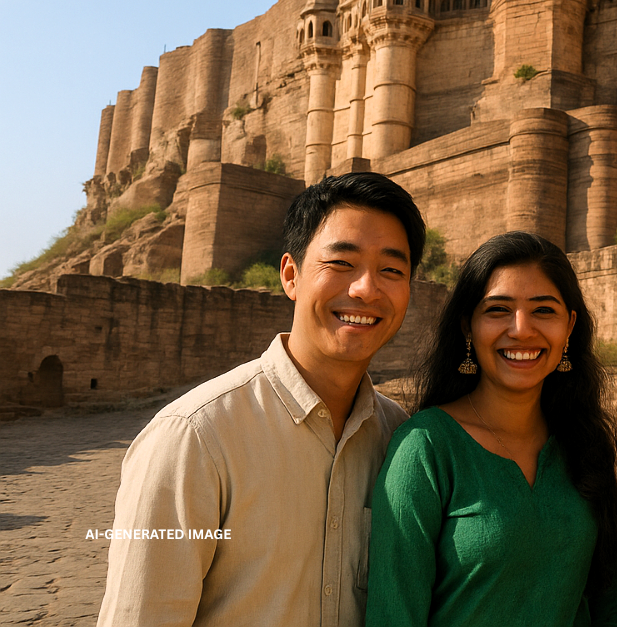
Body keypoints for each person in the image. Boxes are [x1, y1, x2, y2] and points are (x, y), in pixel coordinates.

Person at [98, 172, 427, 627]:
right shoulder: (194, 437)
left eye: (392, 270)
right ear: (291, 275)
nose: (366, 289)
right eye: (341, 263)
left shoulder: (400, 440)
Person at [367, 231, 617, 626]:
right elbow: (394, 615)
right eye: (497, 310)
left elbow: (610, 602)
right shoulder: (426, 448)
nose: (521, 329)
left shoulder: (584, 444)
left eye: (544, 310)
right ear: (467, 327)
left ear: (570, 325)